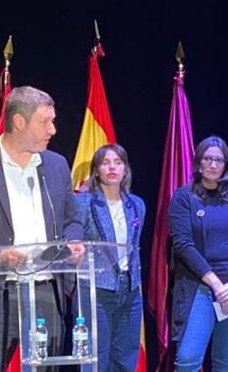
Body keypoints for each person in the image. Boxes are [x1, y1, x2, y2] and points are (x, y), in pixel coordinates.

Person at [0, 86, 84, 372]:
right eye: (45, 122)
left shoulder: (57, 165)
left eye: (53, 121)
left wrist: (72, 243)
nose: (53, 130)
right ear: (19, 121)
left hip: (46, 291)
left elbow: (72, 220)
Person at [169, 135, 228, 372]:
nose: (212, 165)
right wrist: (217, 286)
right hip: (200, 288)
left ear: (226, 165)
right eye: (207, 159)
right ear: (198, 163)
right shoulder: (183, 198)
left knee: (225, 363)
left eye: (218, 160)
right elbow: (183, 245)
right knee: (188, 361)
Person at [76, 144, 146, 372]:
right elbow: (74, 242)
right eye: (106, 163)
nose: (112, 167)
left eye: (118, 162)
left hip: (130, 289)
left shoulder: (136, 205)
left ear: (125, 169)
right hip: (96, 289)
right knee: (96, 358)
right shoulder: (84, 202)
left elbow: (134, 247)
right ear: (96, 170)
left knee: (125, 358)